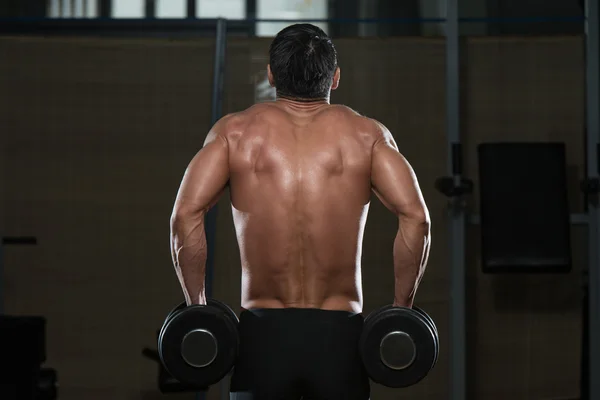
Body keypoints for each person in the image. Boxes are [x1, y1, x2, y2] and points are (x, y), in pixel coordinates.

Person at [170, 23, 431, 400]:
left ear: (271, 74)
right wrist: (401, 310)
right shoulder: (367, 136)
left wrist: (197, 309)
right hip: (340, 339)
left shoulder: (235, 134)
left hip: (262, 337)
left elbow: (184, 216)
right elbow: (417, 218)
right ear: (335, 78)